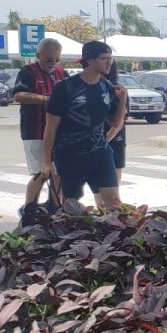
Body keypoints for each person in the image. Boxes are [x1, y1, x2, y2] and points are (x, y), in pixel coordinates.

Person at [41, 41, 127, 210]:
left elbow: (115, 122)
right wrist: (46, 160)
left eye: (111, 58)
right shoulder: (65, 87)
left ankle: (110, 234)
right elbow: (50, 127)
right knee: (69, 205)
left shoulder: (107, 86)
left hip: (100, 152)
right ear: (89, 61)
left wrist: (123, 99)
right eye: (104, 59)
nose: (109, 63)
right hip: (70, 155)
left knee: (113, 203)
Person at [12, 37, 66, 211]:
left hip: (59, 132)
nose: (53, 63)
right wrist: (46, 99)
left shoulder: (62, 74)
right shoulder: (28, 71)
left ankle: (55, 208)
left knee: (58, 173)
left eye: (56, 60)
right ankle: (29, 208)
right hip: (34, 131)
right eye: (49, 60)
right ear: (38, 56)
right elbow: (18, 96)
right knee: (41, 173)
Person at [94, 60, 128, 209]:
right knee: (97, 189)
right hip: (94, 144)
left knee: (112, 192)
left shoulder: (117, 90)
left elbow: (120, 120)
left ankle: (116, 222)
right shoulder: (92, 89)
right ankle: (103, 219)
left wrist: (106, 139)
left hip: (113, 142)